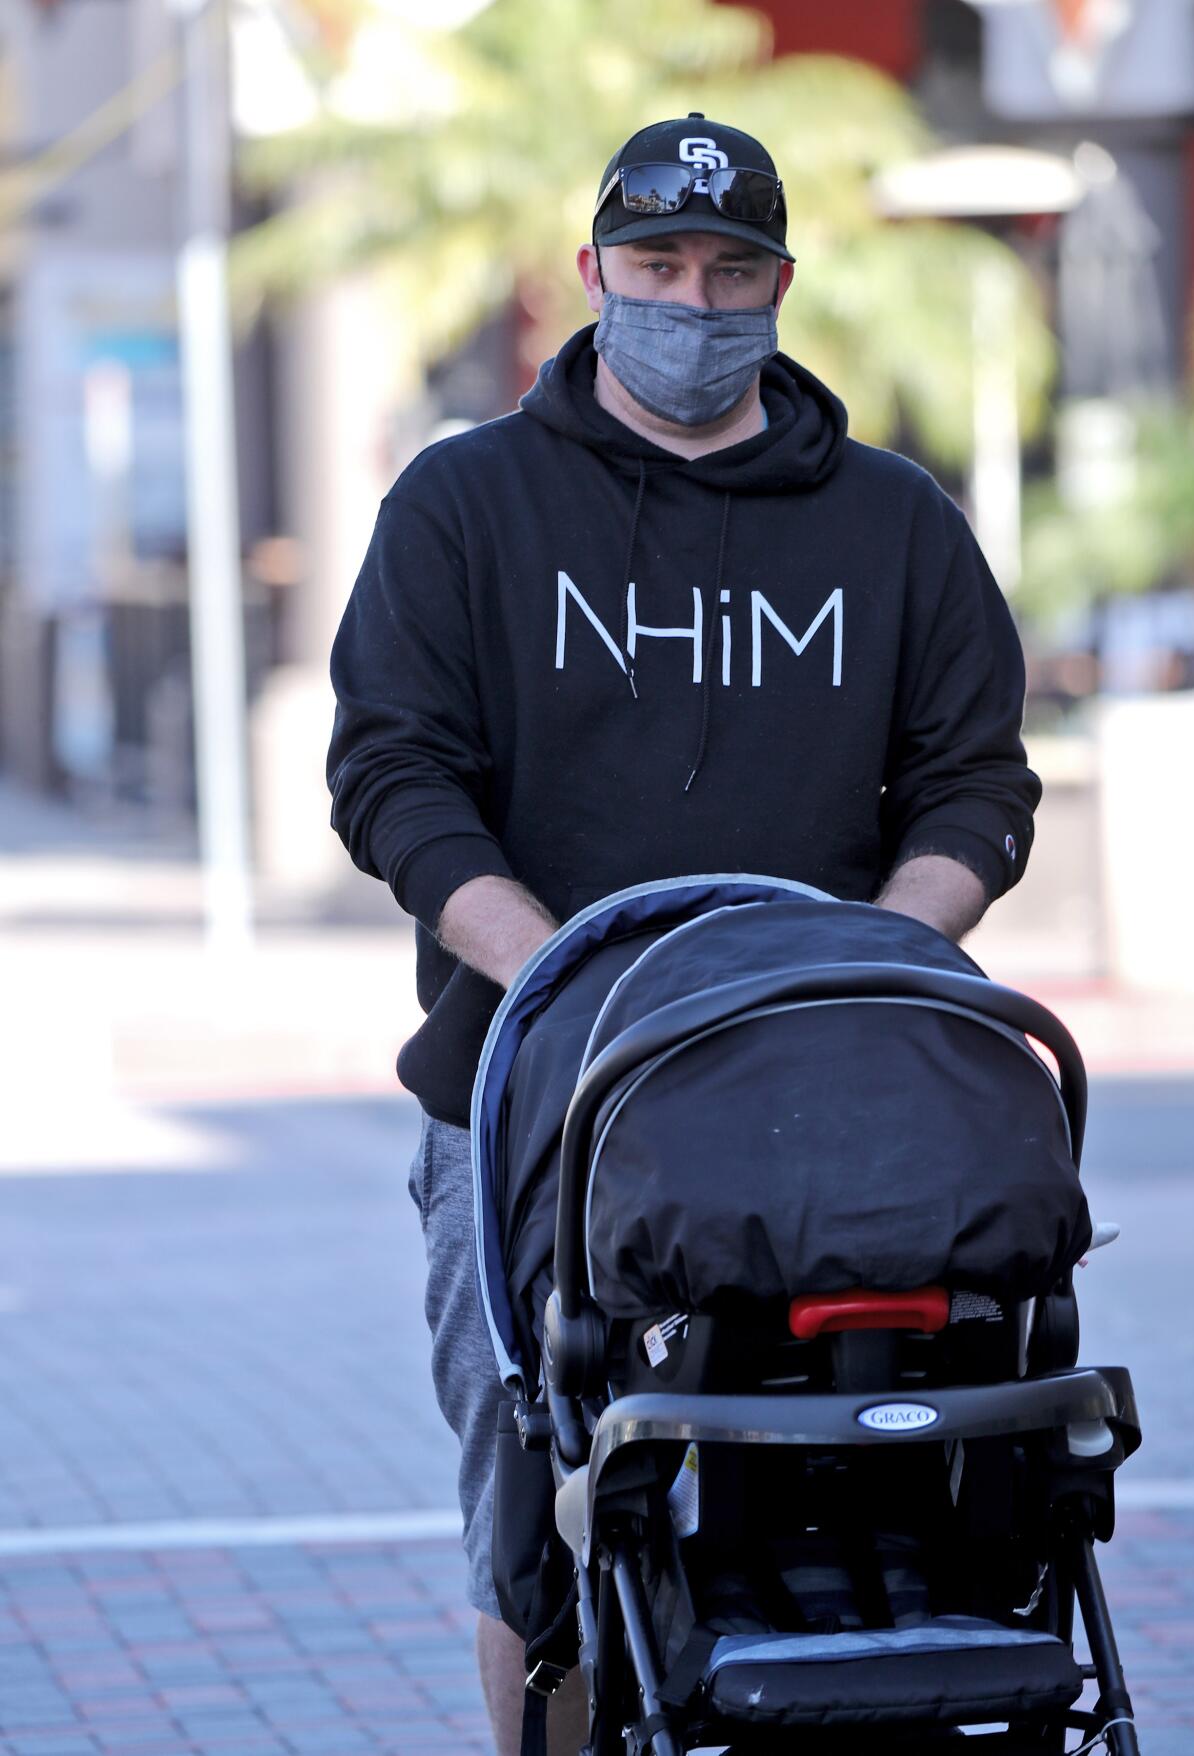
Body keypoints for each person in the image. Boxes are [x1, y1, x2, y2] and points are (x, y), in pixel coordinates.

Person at [326, 113, 1041, 1756]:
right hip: (533, 1100)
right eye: (657, 265)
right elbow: (394, 778)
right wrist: (568, 975)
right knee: (542, 1513)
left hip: (843, 1104)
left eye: (730, 273)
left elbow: (975, 787)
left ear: (782, 288)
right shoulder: (465, 505)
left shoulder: (896, 522)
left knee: (907, 1478)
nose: (692, 303)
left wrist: (867, 971)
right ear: (594, 274)